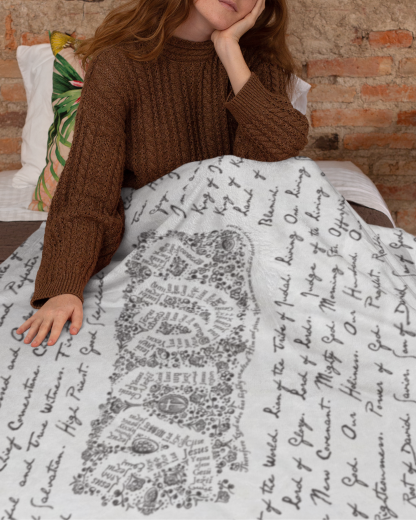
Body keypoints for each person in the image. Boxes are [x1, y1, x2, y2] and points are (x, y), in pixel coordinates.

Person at [16, 0, 392, 349]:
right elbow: (88, 189)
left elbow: (278, 151)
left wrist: (229, 50)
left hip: (247, 230)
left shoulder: (256, 64)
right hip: (164, 230)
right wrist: (63, 288)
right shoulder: (120, 65)